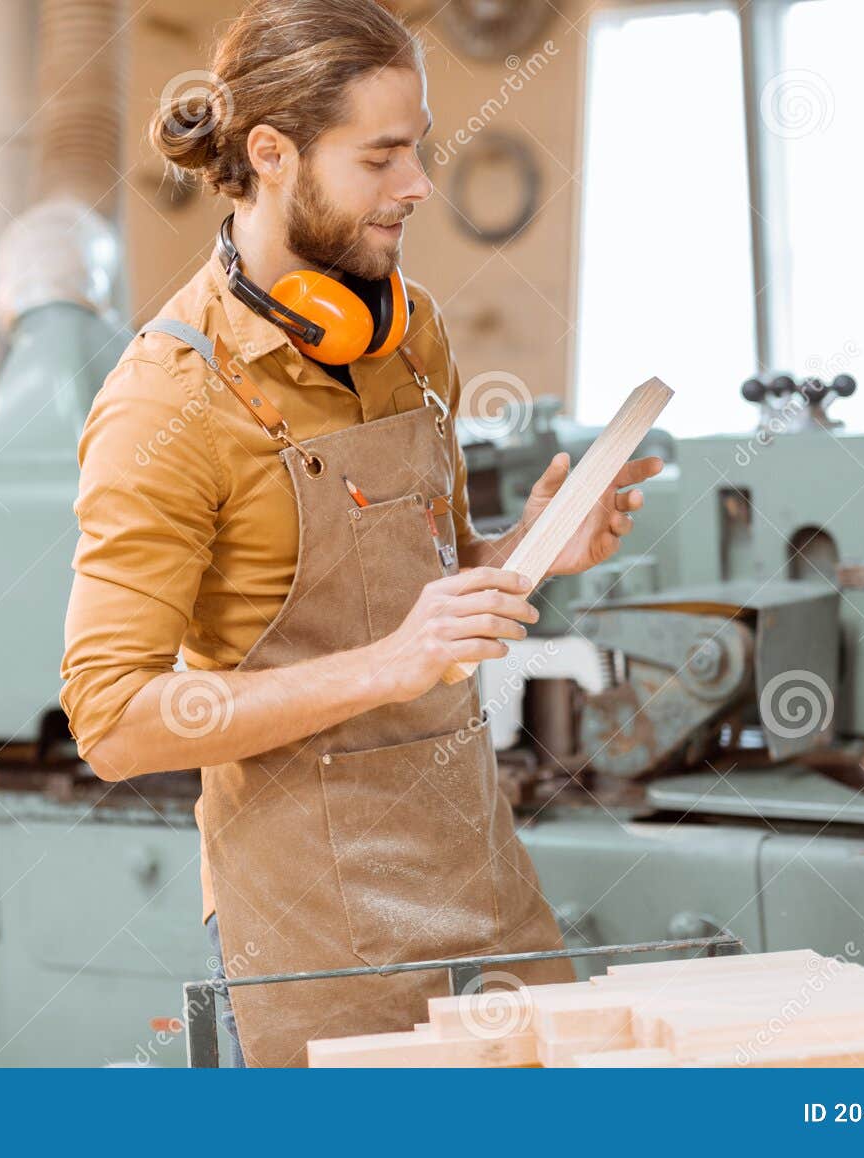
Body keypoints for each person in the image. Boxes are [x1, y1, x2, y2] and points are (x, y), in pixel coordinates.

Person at [60, 0, 662, 1068]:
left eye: (418, 149)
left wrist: (523, 554)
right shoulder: (165, 406)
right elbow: (112, 722)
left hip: (476, 871)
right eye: (382, 156)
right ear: (271, 153)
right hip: (309, 930)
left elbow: (423, 579)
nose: (418, 185)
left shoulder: (411, 329)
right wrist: (391, 663)